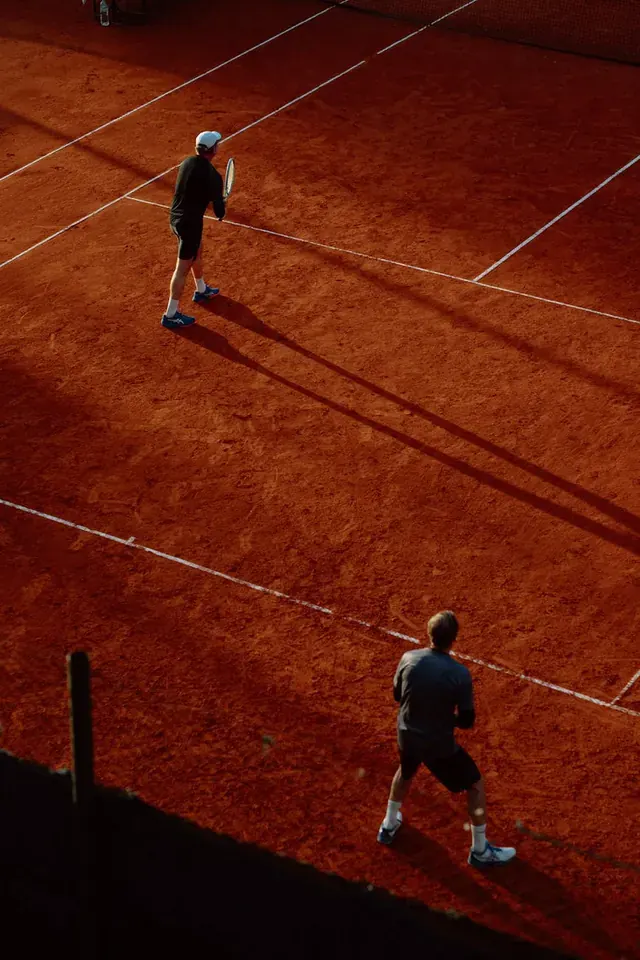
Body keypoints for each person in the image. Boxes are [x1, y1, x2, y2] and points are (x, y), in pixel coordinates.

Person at [377, 610, 516, 868]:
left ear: (430, 634)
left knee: (406, 770)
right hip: (437, 745)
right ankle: (480, 850)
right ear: (454, 639)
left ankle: (388, 823)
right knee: (474, 784)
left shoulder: (408, 658)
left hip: (406, 734)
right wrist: (442, 717)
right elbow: (466, 721)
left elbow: (398, 696)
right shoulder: (459, 674)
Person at [162, 131, 226, 330]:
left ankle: (201, 289)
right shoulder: (213, 177)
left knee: (197, 250)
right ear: (213, 149)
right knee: (181, 269)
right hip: (190, 224)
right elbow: (219, 213)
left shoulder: (186, 163)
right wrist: (221, 200)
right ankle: (170, 314)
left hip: (175, 219)